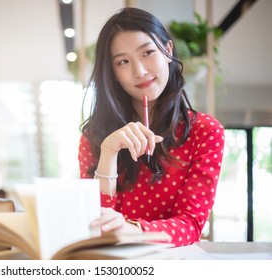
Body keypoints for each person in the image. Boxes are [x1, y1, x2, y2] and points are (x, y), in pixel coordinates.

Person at [78, 7, 225, 247]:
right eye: (123, 61)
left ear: (168, 50)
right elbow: (96, 224)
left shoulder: (206, 132)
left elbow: (191, 225)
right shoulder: (94, 137)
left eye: (147, 52)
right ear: (113, 72)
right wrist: (109, 152)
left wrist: (133, 229)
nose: (140, 71)